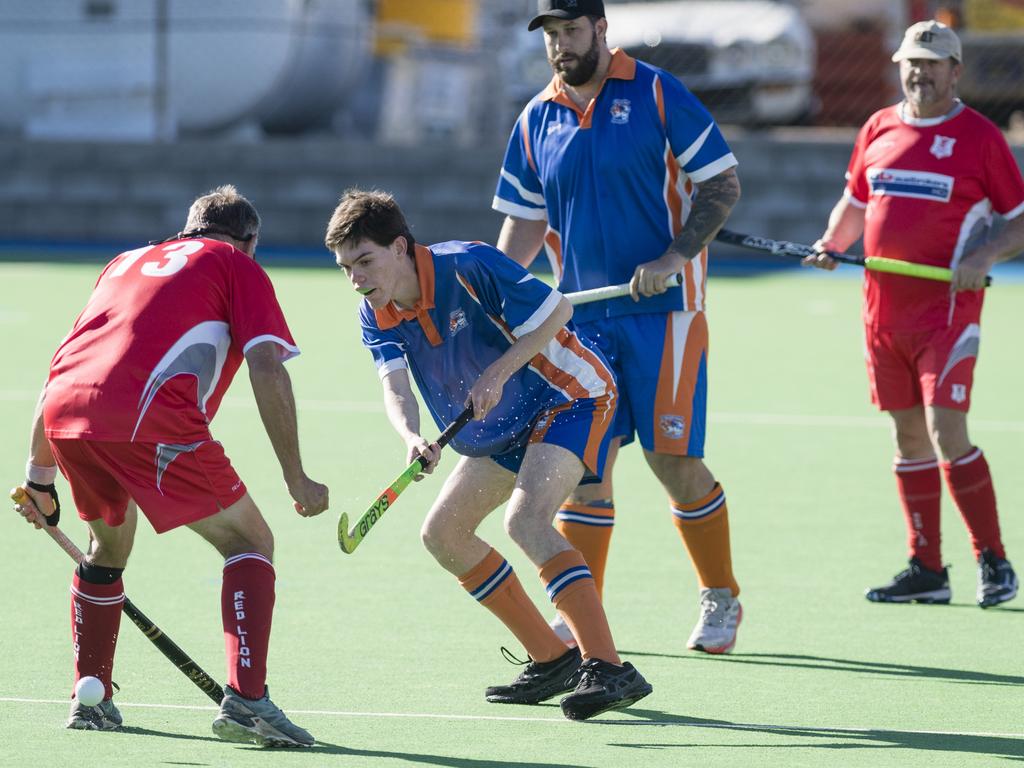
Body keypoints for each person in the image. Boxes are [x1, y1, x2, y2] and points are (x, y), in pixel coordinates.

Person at [13, 185, 329, 745]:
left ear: (187, 229)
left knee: (106, 549)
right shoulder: (237, 264)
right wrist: (295, 475)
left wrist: (39, 478)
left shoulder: (125, 262)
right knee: (250, 542)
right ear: (250, 241)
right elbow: (266, 365)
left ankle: (92, 696)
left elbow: (65, 362)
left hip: (69, 414)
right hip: (149, 417)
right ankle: (248, 702)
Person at [325, 188, 651, 721]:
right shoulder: (375, 313)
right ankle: (553, 658)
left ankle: (610, 667)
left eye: (365, 261)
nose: (356, 279)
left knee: (526, 520)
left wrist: (496, 373)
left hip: (570, 395)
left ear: (401, 247)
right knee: (443, 534)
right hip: (504, 422)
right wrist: (411, 436)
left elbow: (558, 311)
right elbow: (395, 388)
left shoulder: (467, 266)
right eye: (345, 268)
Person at [492, 0, 744, 653]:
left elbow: (721, 185)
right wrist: (497, 298)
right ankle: (583, 617)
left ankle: (721, 596)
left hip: (666, 314)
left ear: (601, 29)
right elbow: (522, 220)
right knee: (585, 469)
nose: (560, 46)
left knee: (673, 460)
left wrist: (672, 256)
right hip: (582, 322)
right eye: (550, 34)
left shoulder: (659, 92)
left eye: (570, 30)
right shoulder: (535, 118)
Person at [804, 21, 1024, 607]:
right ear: (898, 67)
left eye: (933, 62)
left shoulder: (980, 138)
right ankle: (928, 568)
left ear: (956, 71)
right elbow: (854, 204)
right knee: (907, 438)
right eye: (911, 62)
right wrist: (832, 245)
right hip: (883, 313)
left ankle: (994, 560)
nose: (920, 72)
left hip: (947, 314)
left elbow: (1019, 218)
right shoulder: (877, 127)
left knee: (945, 431)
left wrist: (984, 252)